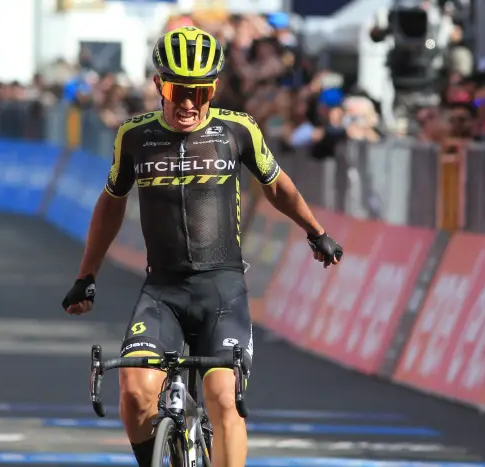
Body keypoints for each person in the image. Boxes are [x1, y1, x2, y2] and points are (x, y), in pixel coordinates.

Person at [61, 26, 343, 467]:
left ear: (213, 87)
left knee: (222, 398)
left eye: (200, 91)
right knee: (135, 394)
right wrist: (86, 276)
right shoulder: (133, 136)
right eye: (178, 90)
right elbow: (110, 205)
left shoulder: (238, 129)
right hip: (162, 292)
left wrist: (314, 230)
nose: (189, 103)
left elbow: (277, 186)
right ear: (159, 85)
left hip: (221, 290)